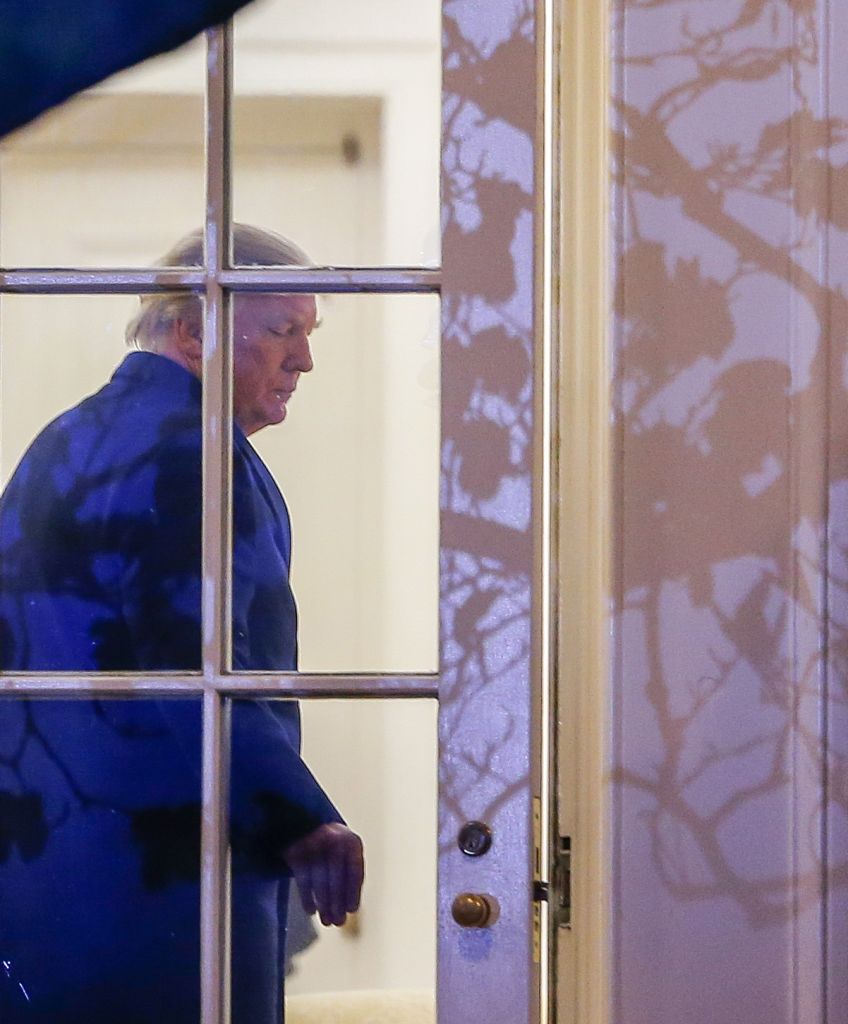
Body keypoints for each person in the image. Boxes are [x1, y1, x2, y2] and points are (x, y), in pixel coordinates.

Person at [0, 225, 364, 1023]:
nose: (303, 360)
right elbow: (195, 666)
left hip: (45, 883)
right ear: (195, 329)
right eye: (283, 331)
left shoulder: (62, 442)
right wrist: (300, 819)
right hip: (162, 891)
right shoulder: (191, 452)